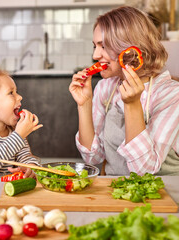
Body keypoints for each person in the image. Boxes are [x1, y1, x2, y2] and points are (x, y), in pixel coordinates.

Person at [69, 6, 179, 176]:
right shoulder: (106, 88)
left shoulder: (171, 94)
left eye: (104, 46)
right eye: (95, 46)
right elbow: (93, 157)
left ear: (129, 47)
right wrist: (84, 104)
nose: (96, 55)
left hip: (164, 194)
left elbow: (143, 170)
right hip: (116, 191)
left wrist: (132, 104)